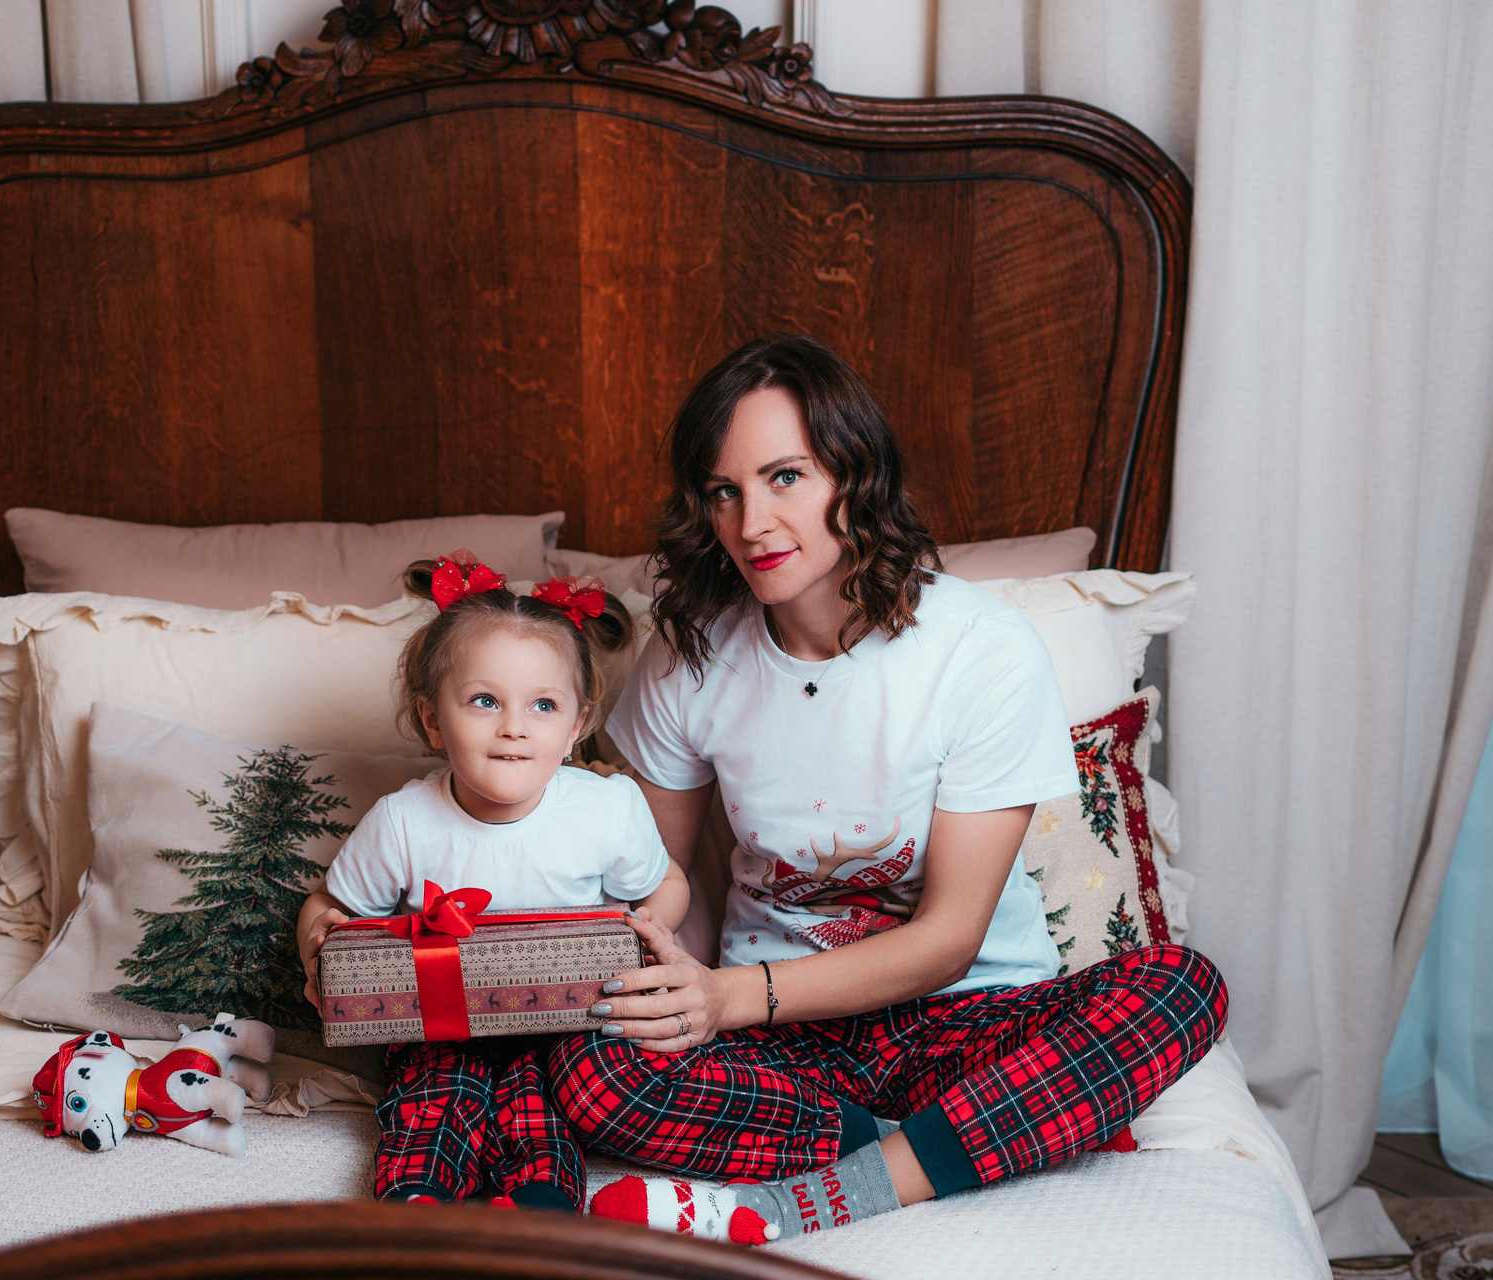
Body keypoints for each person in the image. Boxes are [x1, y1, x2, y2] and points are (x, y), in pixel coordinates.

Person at [562, 334, 1228, 1245]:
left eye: (785, 477)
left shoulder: (980, 650)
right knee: (590, 1068)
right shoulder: (691, 656)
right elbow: (660, 882)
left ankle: (807, 1199)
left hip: (965, 1018)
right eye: (723, 491)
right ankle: (969, 1142)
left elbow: (949, 941)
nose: (752, 521)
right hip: (791, 1045)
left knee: (1181, 988)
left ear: (854, 472)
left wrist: (729, 997)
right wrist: (678, 1000)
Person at [297, 553, 690, 1214]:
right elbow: (329, 904)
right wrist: (319, 947)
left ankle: (536, 1207)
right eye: (485, 701)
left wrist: (655, 928)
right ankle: (417, 1201)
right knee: (432, 1094)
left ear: (575, 725)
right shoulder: (403, 822)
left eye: (543, 705)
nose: (514, 726)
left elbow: (666, 884)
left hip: (567, 1022)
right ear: (432, 720)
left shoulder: (605, 808)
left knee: (546, 1102)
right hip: (440, 1024)